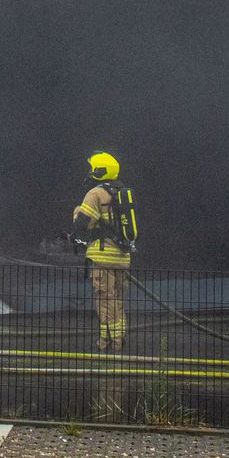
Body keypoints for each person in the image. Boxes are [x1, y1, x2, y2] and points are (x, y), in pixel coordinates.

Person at [71, 151, 138, 352]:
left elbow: (82, 226)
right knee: (117, 299)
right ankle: (119, 339)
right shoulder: (121, 193)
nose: (90, 172)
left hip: (102, 258)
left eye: (93, 169)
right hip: (122, 257)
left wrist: (76, 212)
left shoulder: (96, 194)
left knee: (104, 300)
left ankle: (107, 343)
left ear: (100, 171)